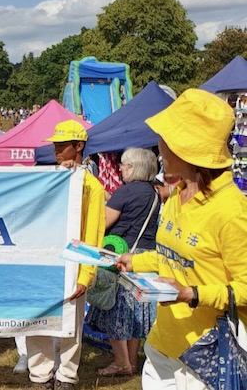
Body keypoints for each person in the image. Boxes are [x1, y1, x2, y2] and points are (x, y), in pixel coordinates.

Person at [117, 89, 247, 390]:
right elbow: (172, 257)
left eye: (166, 138)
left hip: (209, 355)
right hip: (164, 343)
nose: (159, 147)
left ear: (186, 148)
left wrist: (191, 294)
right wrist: (136, 261)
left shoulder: (233, 212)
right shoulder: (177, 194)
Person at [27, 120, 106, 390]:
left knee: (72, 324)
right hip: (43, 262)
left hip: (72, 264)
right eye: (55, 145)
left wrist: (86, 274)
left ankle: (67, 376)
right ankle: (39, 376)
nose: (57, 150)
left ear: (79, 146)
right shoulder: (48, 178)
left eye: (62, 145)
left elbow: (93, 233)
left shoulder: (91, 186)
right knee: (37, 319)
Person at [85, 147, 160, 376]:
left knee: (115, 312)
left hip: (122, 258)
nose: (120, 168)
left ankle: (121, 362)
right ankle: (132, 362)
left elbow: (104, 221)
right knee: (137, 316)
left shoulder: (126, 192)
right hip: (145, 258)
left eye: (124, 165)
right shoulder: (155, 192)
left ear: (134, 167)